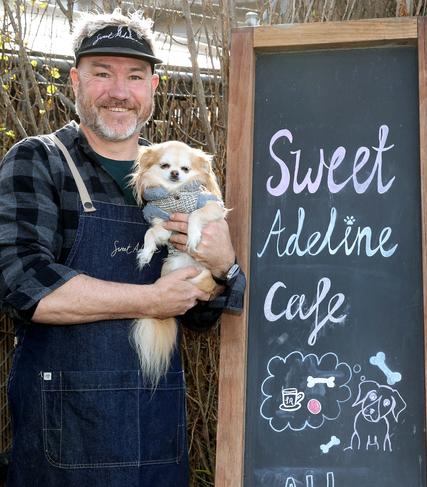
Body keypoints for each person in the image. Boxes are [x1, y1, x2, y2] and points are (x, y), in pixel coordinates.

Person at [0, 9, 244, 486]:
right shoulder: (40, 160)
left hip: (156, 439)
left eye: (134, 76)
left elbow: (199, 317)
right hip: (63, 444)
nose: (119, 91)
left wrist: (221, 268)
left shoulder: (178, 174)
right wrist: (151, 300)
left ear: (153, 86)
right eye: (102, 73)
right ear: (74, 80)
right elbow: (24, 283)